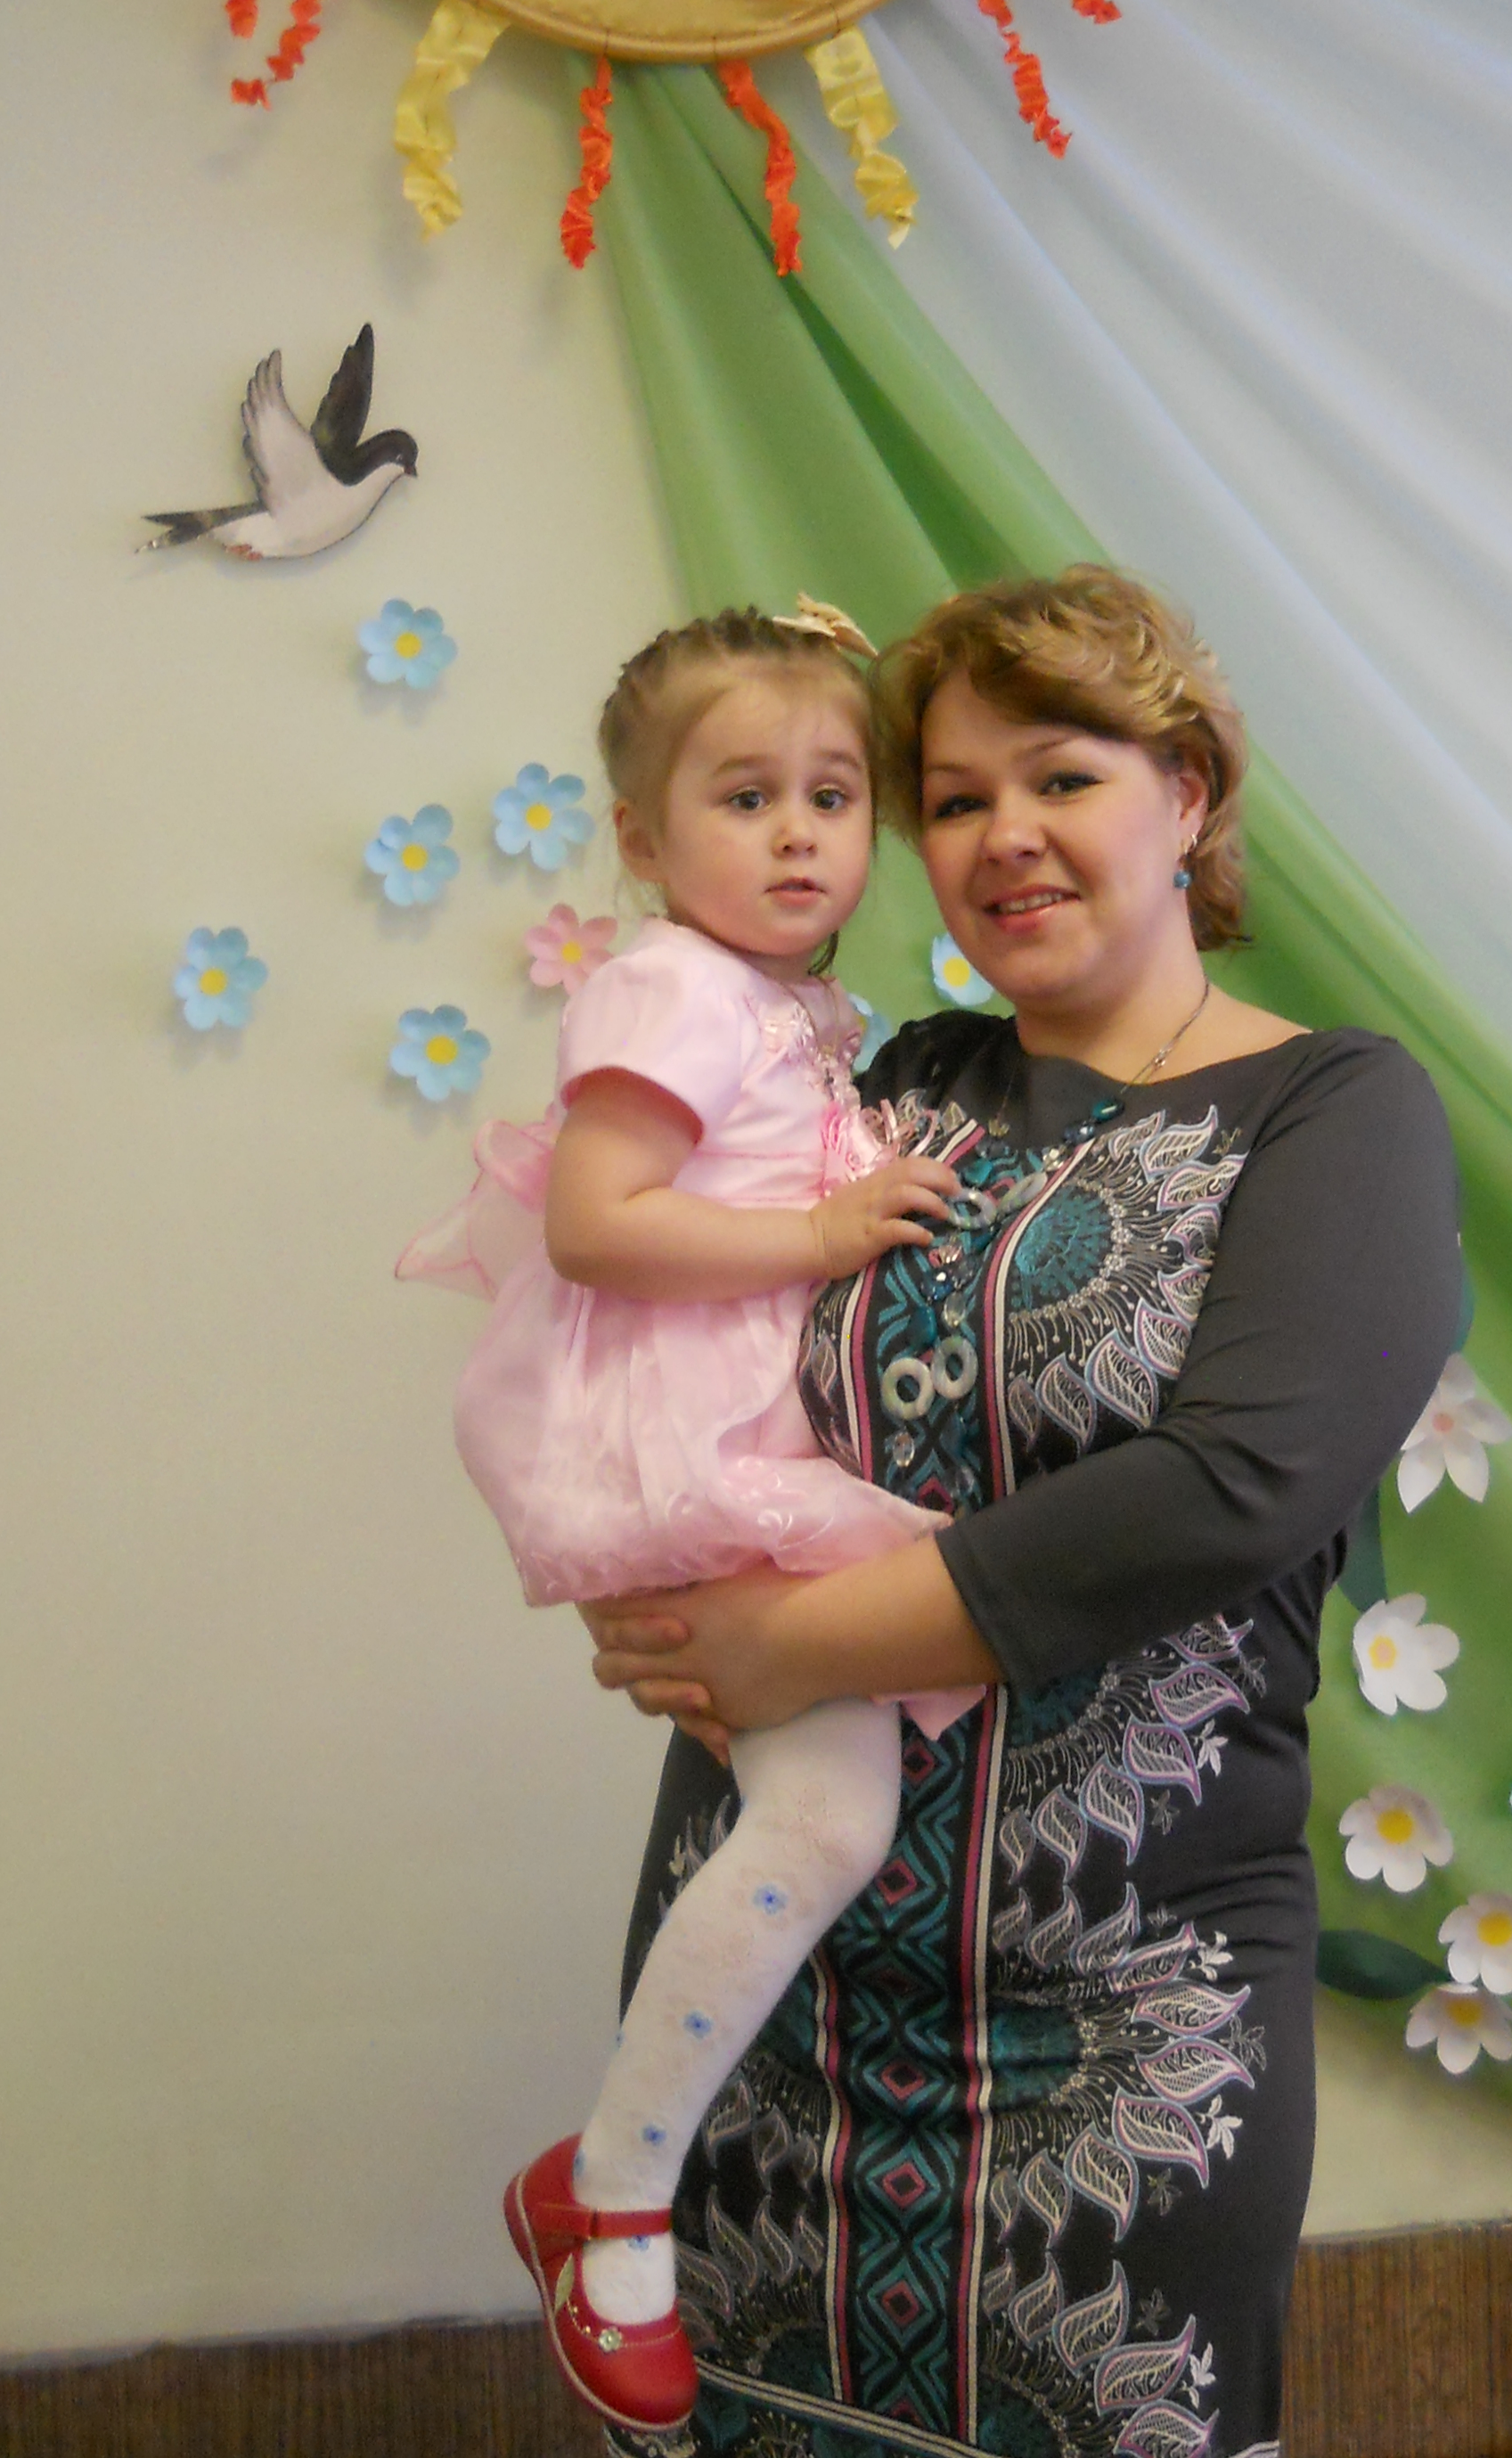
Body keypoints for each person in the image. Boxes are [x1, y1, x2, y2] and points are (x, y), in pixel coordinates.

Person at [582, 566, 1464, 2458]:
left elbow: (1231, 1487)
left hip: (1125, 2033)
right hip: (769, 2001)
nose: (1003, 838)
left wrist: (785, 1641)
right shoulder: (878, 1087)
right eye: (958, 799)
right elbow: (662, 1330)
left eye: (1061, 777)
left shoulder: (1335, 1113)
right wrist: (626, 1560)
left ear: (1189, 794)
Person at [429, 601, 978, 2434]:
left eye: (834, 794)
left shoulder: (788, 1007)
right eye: (746, 798)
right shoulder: (670, 982)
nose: (801, 834)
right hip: (693, 1439)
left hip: (740, 1425)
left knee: (829, 1809)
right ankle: (613, 2197)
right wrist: (822, 1231)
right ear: (645, 841)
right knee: (830, 1816)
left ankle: (603, 2183)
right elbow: (597, 1221)